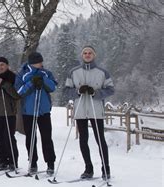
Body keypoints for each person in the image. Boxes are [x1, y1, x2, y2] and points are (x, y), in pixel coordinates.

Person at [64, 46, 114, 180]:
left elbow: (110, 89)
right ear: (82, 55)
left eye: (90, 53)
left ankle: (106, 168)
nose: (87, 55)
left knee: (100, 139)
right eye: (85, 53)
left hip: (96, 109)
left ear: (94, 55)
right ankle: (88, 168)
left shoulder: (102, 72)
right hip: (80, 109)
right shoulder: (73, 72)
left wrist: (96, 93)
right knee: (83, 139)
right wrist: (77, 91)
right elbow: (66, 90)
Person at [14, 52, 57, 175]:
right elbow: (19, 92)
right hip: (28, 111)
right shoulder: (22, 74)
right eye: (37, 62)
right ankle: (32, 162)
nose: (39, 64)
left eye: (40, 62)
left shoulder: (46, 73)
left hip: (43, 110)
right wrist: (31, 83)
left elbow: (53, 87)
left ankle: (50, 163)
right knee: (31, 137)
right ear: (31, 62)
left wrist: (43, 80)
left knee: (47, 137)